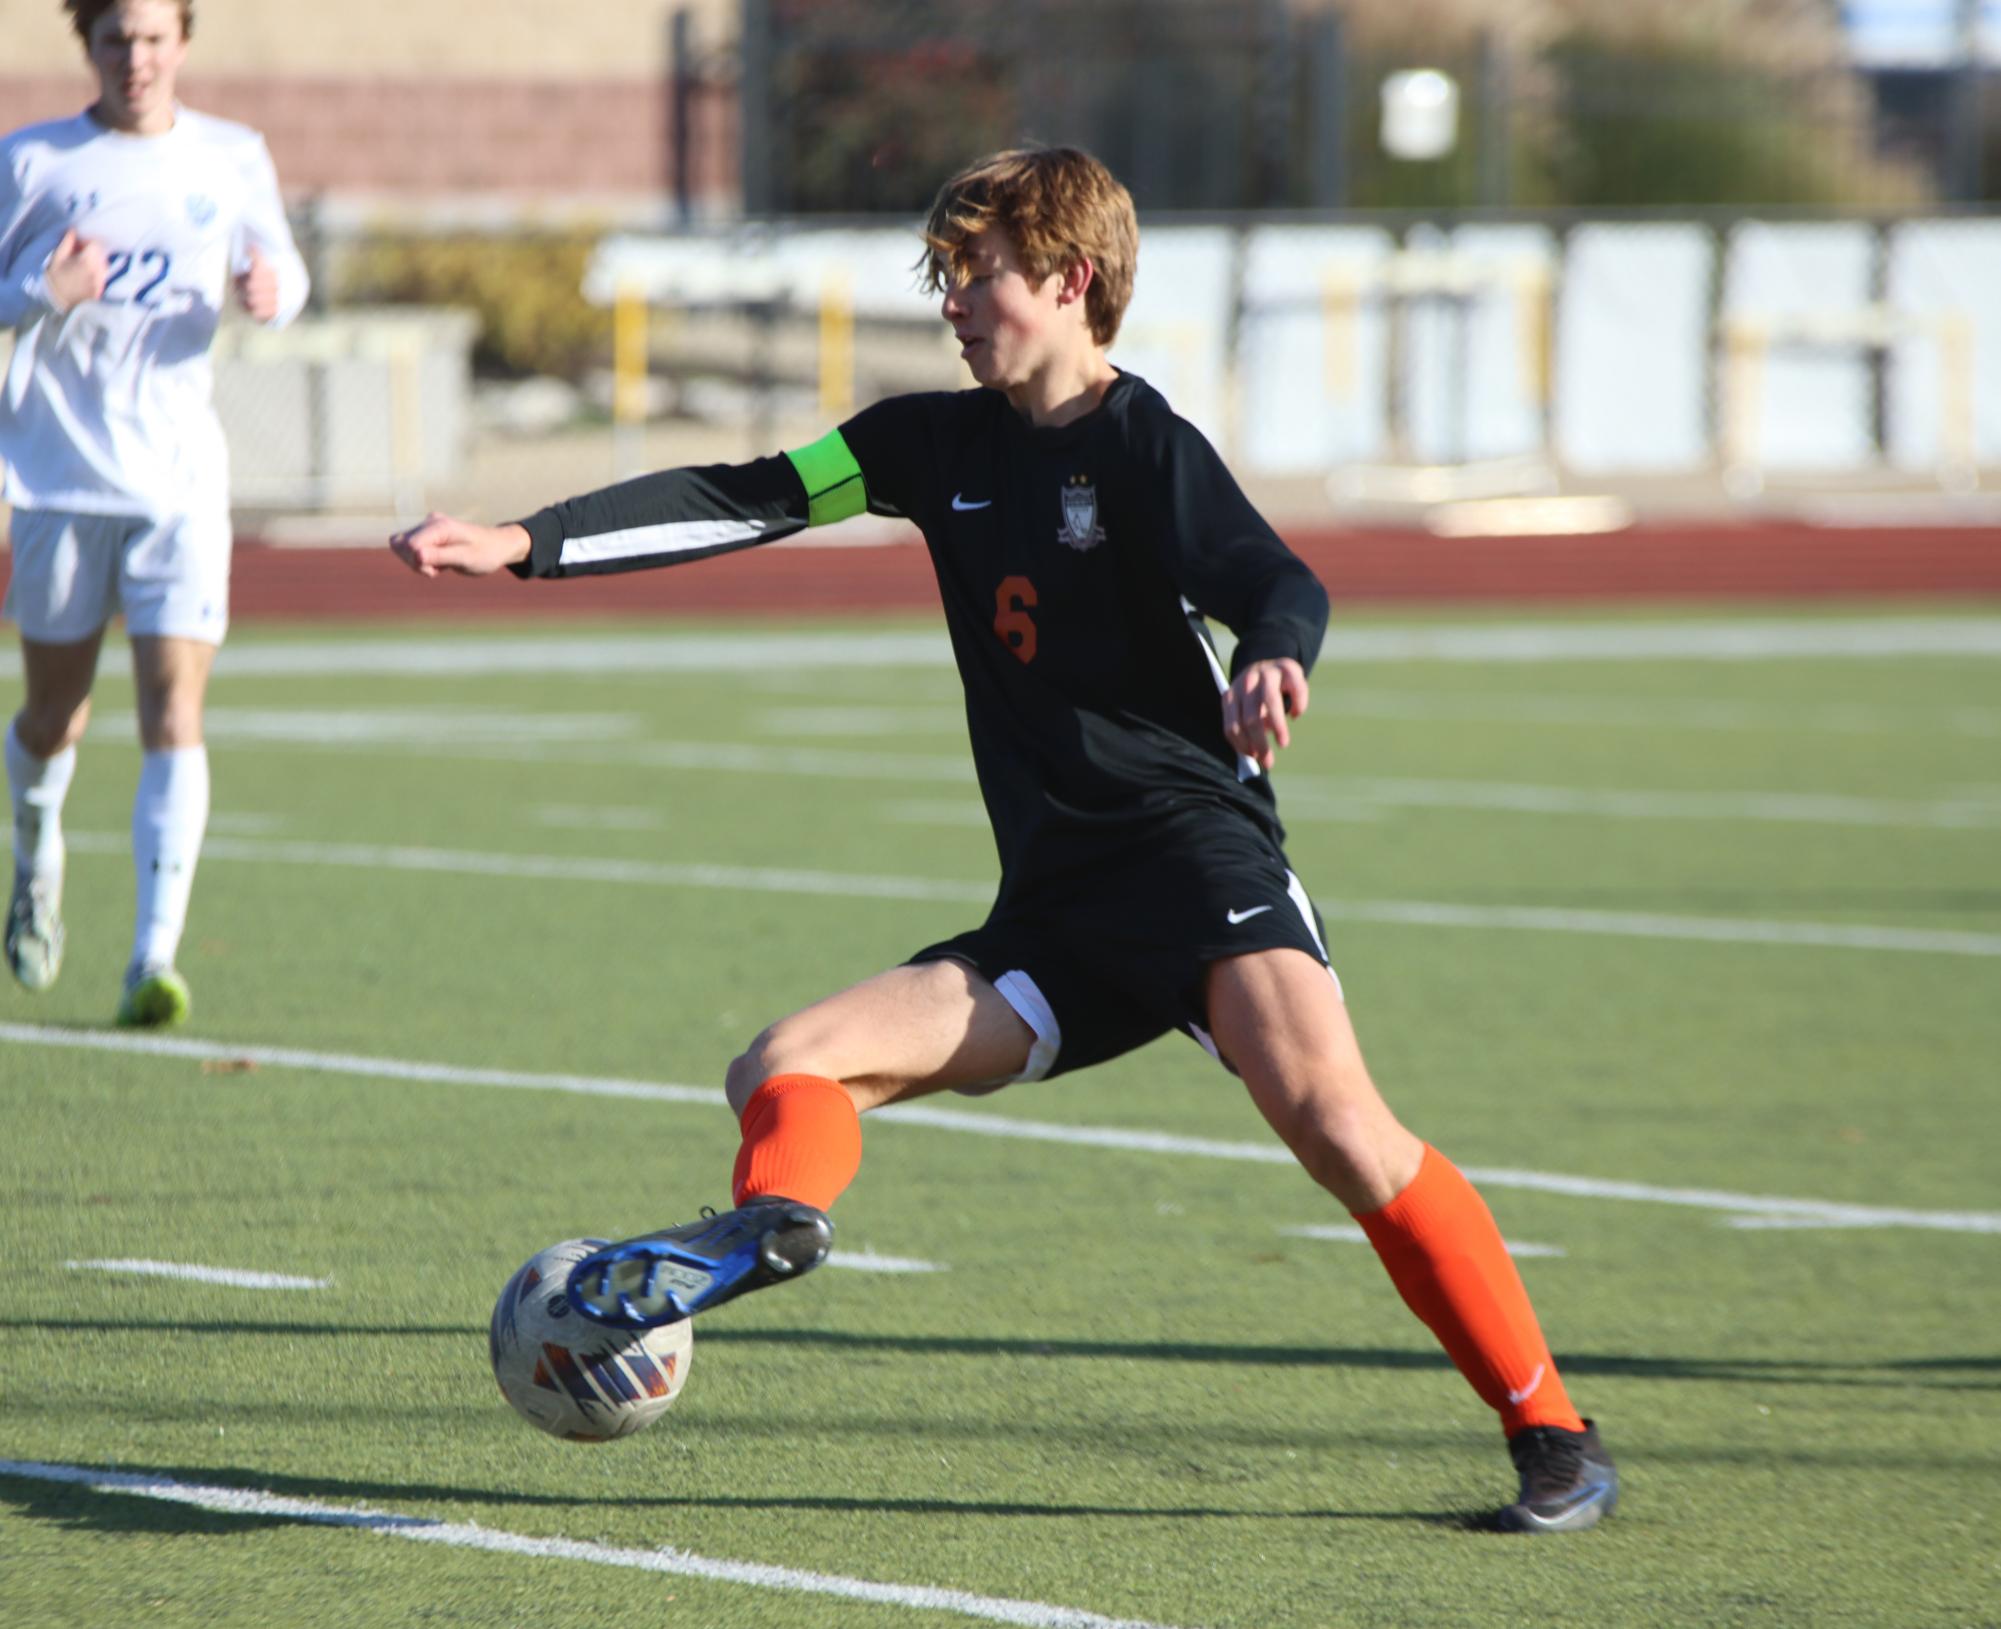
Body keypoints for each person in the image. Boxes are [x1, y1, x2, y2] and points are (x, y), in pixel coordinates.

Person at [390, 146, 1618, 1533]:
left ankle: (1554, 1437)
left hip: (1192, 860)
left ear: (1068, 280)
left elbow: (1274, 575)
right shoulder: (931, 445)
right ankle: (770, 1228)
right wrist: (525, 541)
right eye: (946, 277)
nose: (953, 302)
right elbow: (751, 496)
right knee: (785, 1063)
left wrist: (1273, 654)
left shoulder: (1140, 441)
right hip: (1053, 908)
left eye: (975, 274)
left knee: (1342, 1128)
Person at [1, 0, 309, 1025]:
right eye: (114, 39)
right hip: (57, 483)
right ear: (85, 45)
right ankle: (37, 860)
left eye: (152, 38)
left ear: (183, 41)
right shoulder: (34, 161)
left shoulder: (231, 156)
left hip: (180, 485)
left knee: (175, 714)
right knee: (54, 719)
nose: (135, 58)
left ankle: (152, 958)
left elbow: (282, 262)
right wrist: (43, 290)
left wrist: (277, 288)